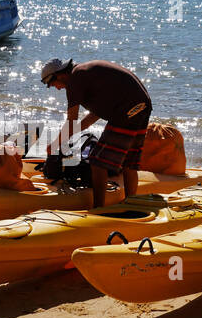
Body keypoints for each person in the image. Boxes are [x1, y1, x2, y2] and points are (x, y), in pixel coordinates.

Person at [41, 58, 151, 208]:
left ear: (59, 75)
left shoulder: (75, 80)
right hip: (142, 105)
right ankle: (131, 204)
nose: (57, 88)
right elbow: (93, 116)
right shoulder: (85, 73)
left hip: (127, 109)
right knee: (129, 163)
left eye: (53, 84)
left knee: (97, 162)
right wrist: (67, 136)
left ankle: (99, 208)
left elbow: (71, 121)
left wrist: (54, 144)